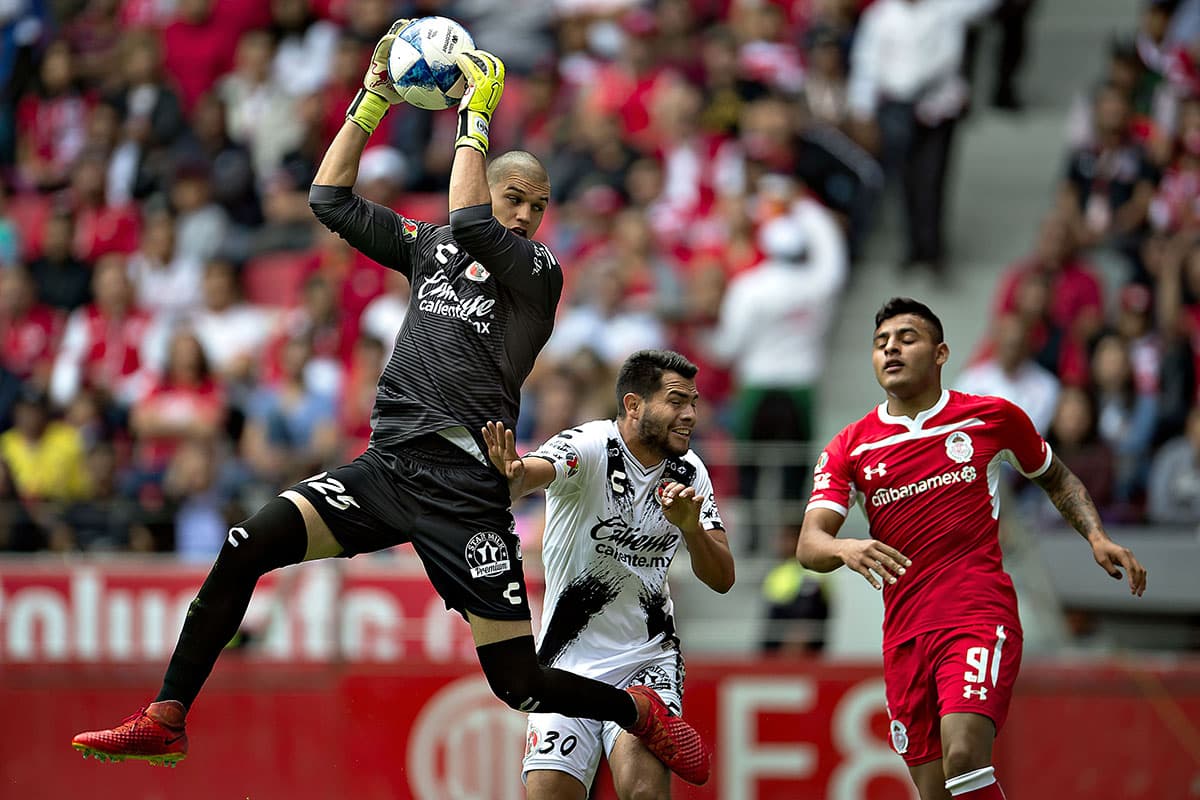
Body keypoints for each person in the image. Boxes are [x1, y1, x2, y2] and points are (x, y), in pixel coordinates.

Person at [71, 21, 709, 787]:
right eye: (516, 198)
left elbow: (472, 220)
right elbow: (328, 197)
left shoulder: (535, 273)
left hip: (466, 490)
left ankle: (638, 713)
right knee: (246, 544)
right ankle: (167, 717)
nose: (526, 216)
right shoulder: (430, 246)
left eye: (537, 207)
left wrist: (478, 108)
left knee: (518, 683)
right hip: (388, 467)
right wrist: (370, 99)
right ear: (492, 185)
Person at [798, 297, 1148, 800]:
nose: (891, 349)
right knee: (936, 791)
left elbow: (1056, 479)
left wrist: (1096, 535)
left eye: (906, 338)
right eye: (880, 343)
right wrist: (846, 548)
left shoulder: (990, 418)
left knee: (964, 754)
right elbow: (810, 544)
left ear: (941, 353)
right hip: (904, 634)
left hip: (977, 614)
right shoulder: (850, 447)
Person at [481, 349, 733, 799]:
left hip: (646, 662)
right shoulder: (590, 445)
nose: (691, 414)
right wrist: (514, 477)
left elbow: (723, 578)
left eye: (693, 402)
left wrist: (691, 529)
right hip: (565, 661)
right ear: (634, 405)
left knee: (643, 794)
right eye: (677, 401)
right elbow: (533, 473)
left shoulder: (691, 472)